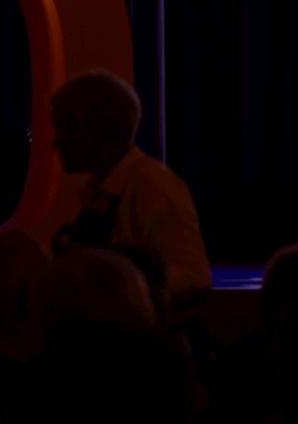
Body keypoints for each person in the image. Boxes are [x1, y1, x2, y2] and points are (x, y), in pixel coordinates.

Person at [32, 69, 209, 318]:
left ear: (95, 129)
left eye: (64, 128)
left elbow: (195, 277)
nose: (56, 143)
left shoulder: (152, 185)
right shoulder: (106, 190)